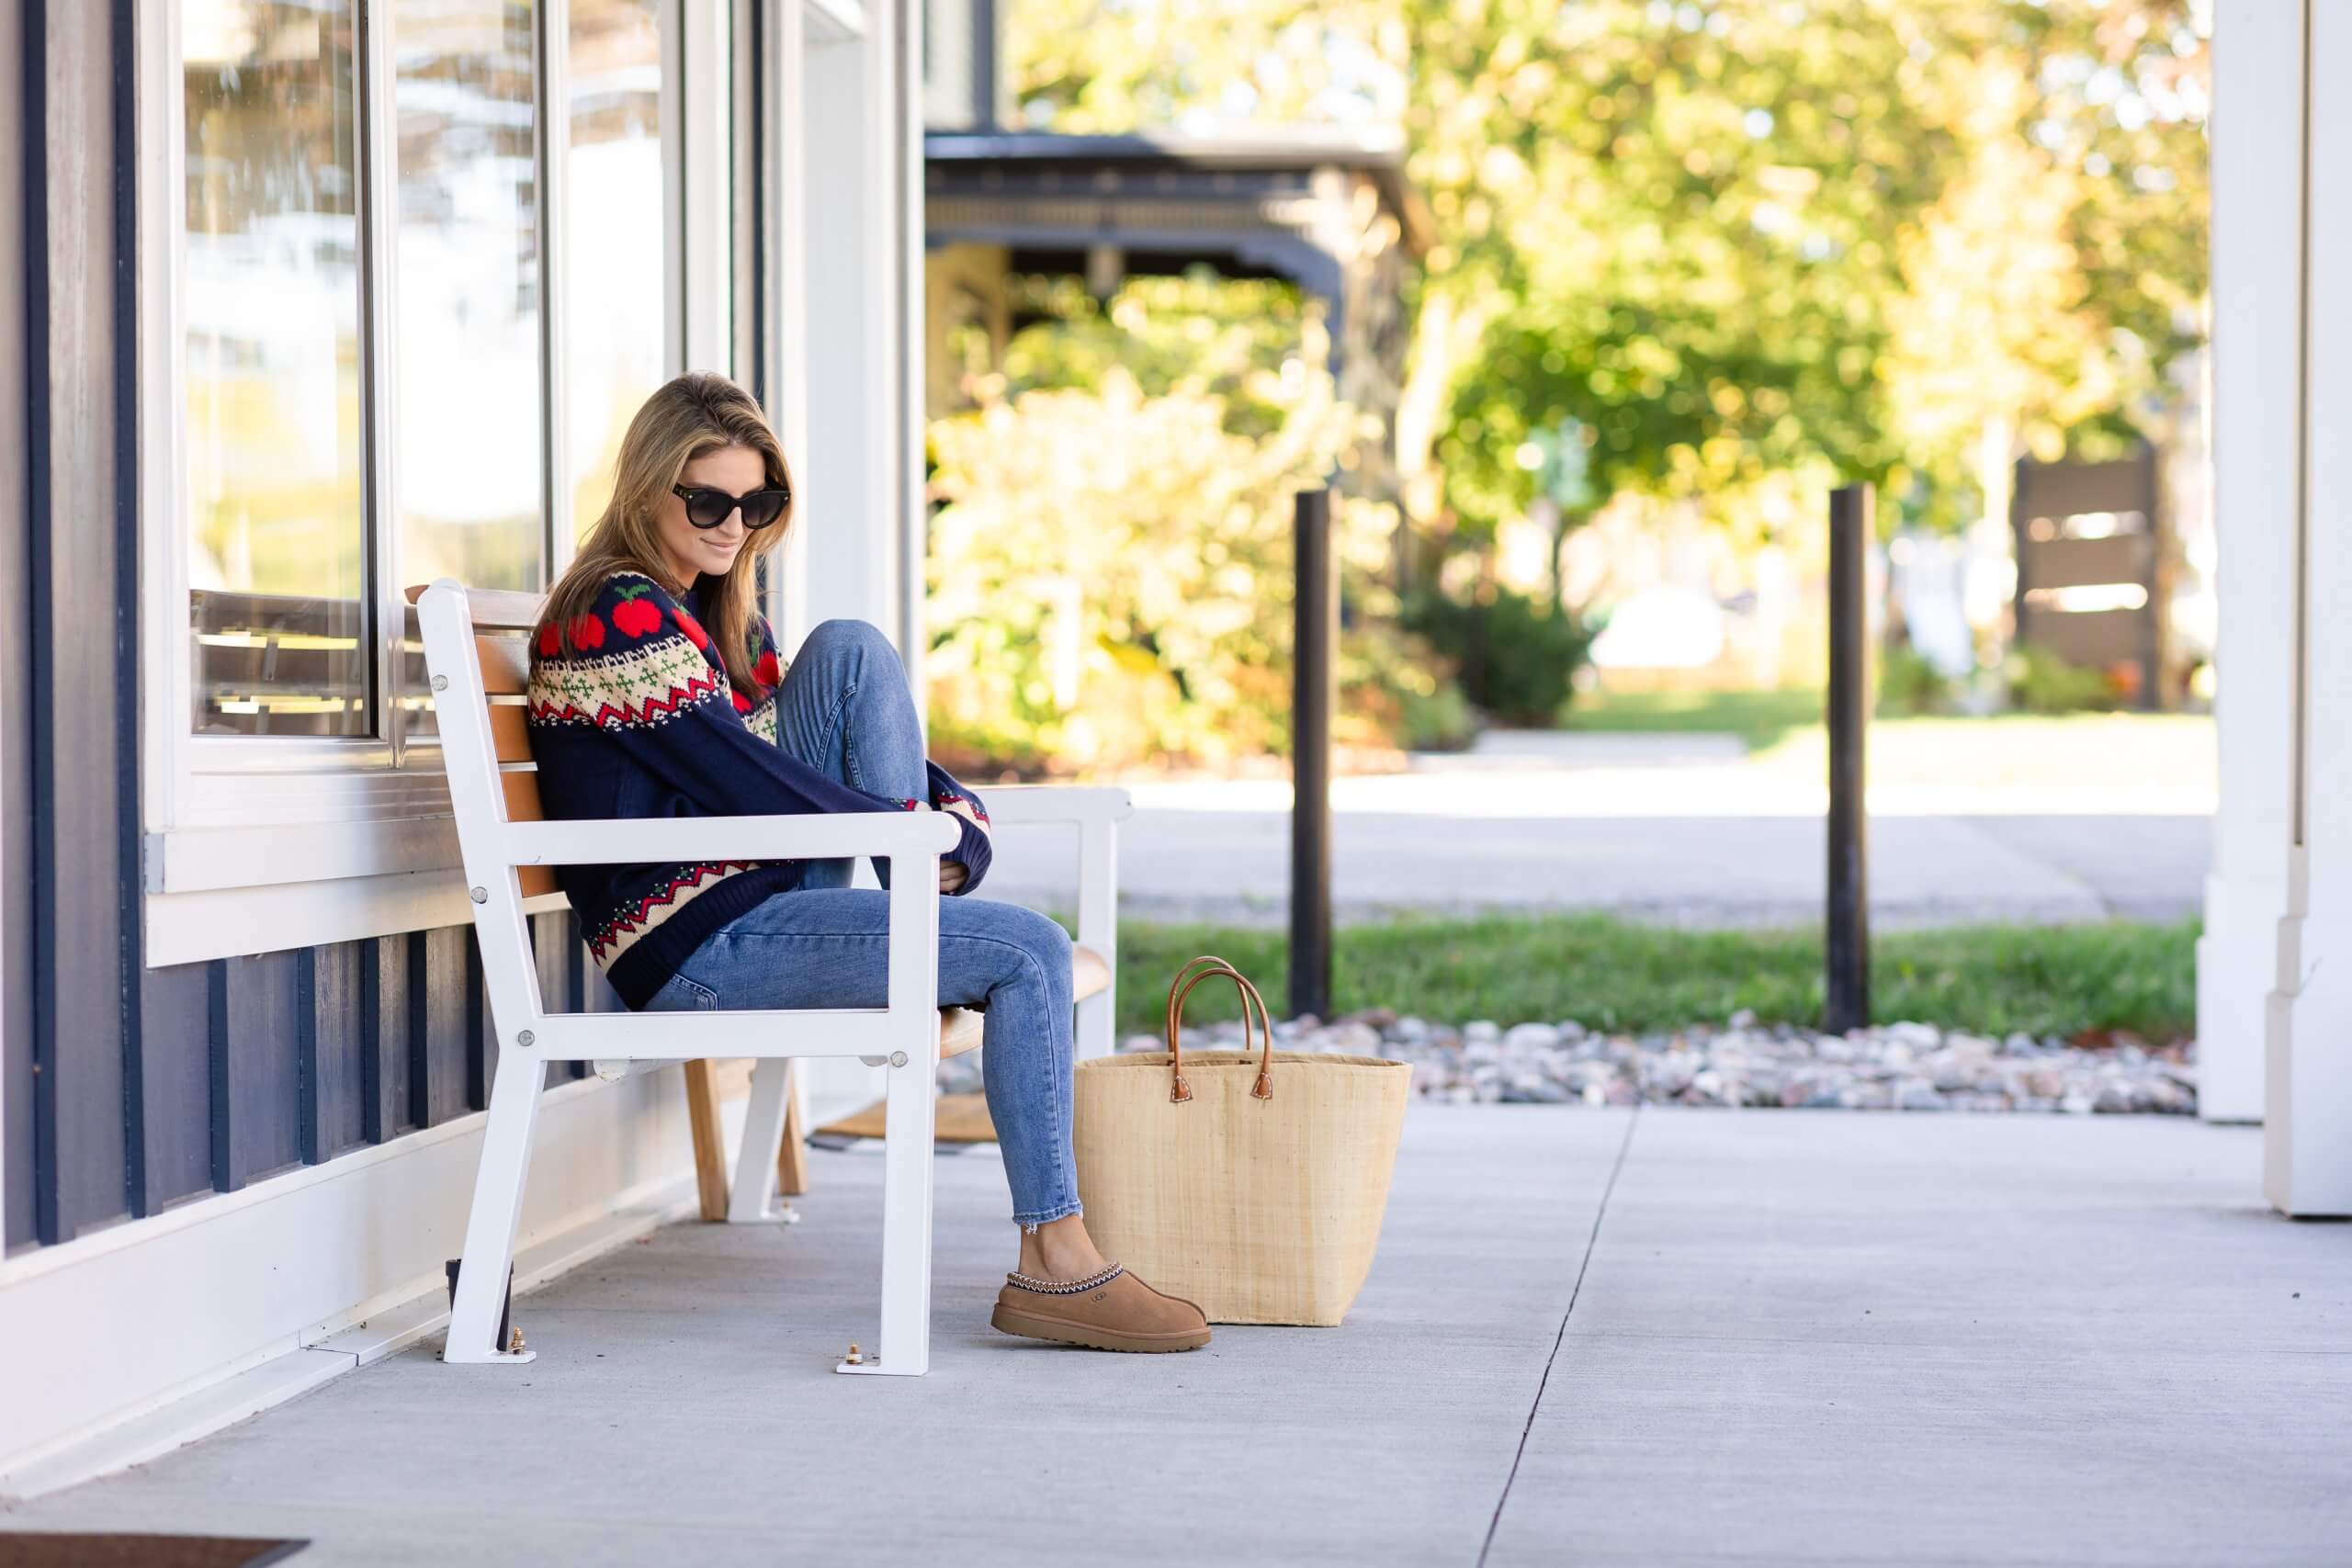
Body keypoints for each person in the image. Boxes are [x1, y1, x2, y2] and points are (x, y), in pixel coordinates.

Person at [526, 372, 1208, 1354]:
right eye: (708, 501)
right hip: (693, 950)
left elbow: (810, 760)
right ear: (645, 493)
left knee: (847, 650)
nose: (732, 526)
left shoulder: (718, 615)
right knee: (1026, 953)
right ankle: (1056, 1259)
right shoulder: (614, 613)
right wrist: (921, 837)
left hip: (759, 903)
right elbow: (748, 788)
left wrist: (949, 815)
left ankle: (916, 940)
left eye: (756, 504)